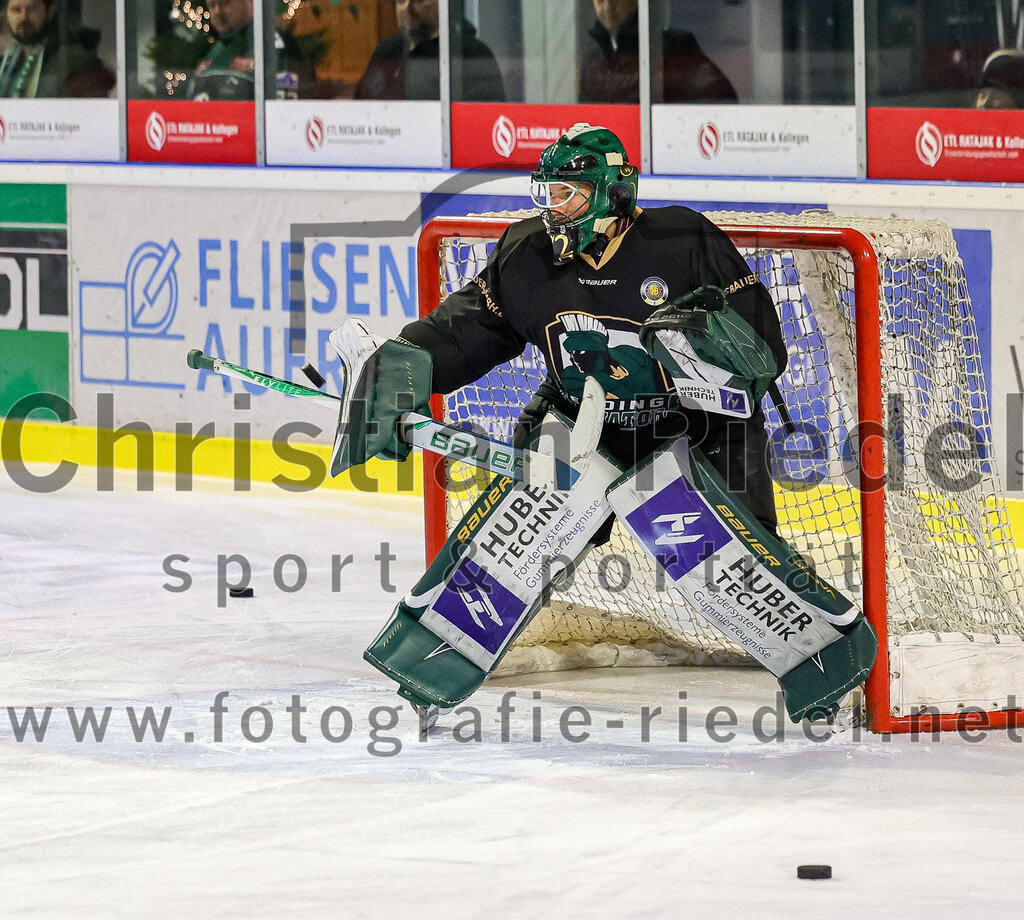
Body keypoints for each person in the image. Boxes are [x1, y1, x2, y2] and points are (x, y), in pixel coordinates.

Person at [339, 124, 875, 724]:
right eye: (548, 193)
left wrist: (708, 348)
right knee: (519, 543)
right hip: (581, 423)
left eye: (567, 194)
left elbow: (760, 351)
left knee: (732, 565)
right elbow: (466, 331)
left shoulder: (683, 240)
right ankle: (433, 665)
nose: (551, 209)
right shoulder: (527, 253)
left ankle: (824, 667)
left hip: (695, 429)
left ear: (611, 195)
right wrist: (399, 367)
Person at [579, 0, 737, 104]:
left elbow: (721, 96)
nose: (606, 8)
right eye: (600, 1)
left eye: (615, 1)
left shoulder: (671, 46)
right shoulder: (593, 55)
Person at [355, 0, 504, 101]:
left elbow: (483, 122)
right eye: (401, 0)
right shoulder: (387, 51)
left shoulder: (471, 54)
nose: (407, 8)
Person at [0, 0, 114, 98]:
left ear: (49, 12)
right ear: (7, 15)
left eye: (33, 9)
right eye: (16, 10)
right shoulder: (7, 58)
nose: (23, 17)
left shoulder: (71, 59)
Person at [186, 0, 255, 101]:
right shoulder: (214, 51)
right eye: (212, 6)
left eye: (225, 3)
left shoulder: (267, 44)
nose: (217, 11)